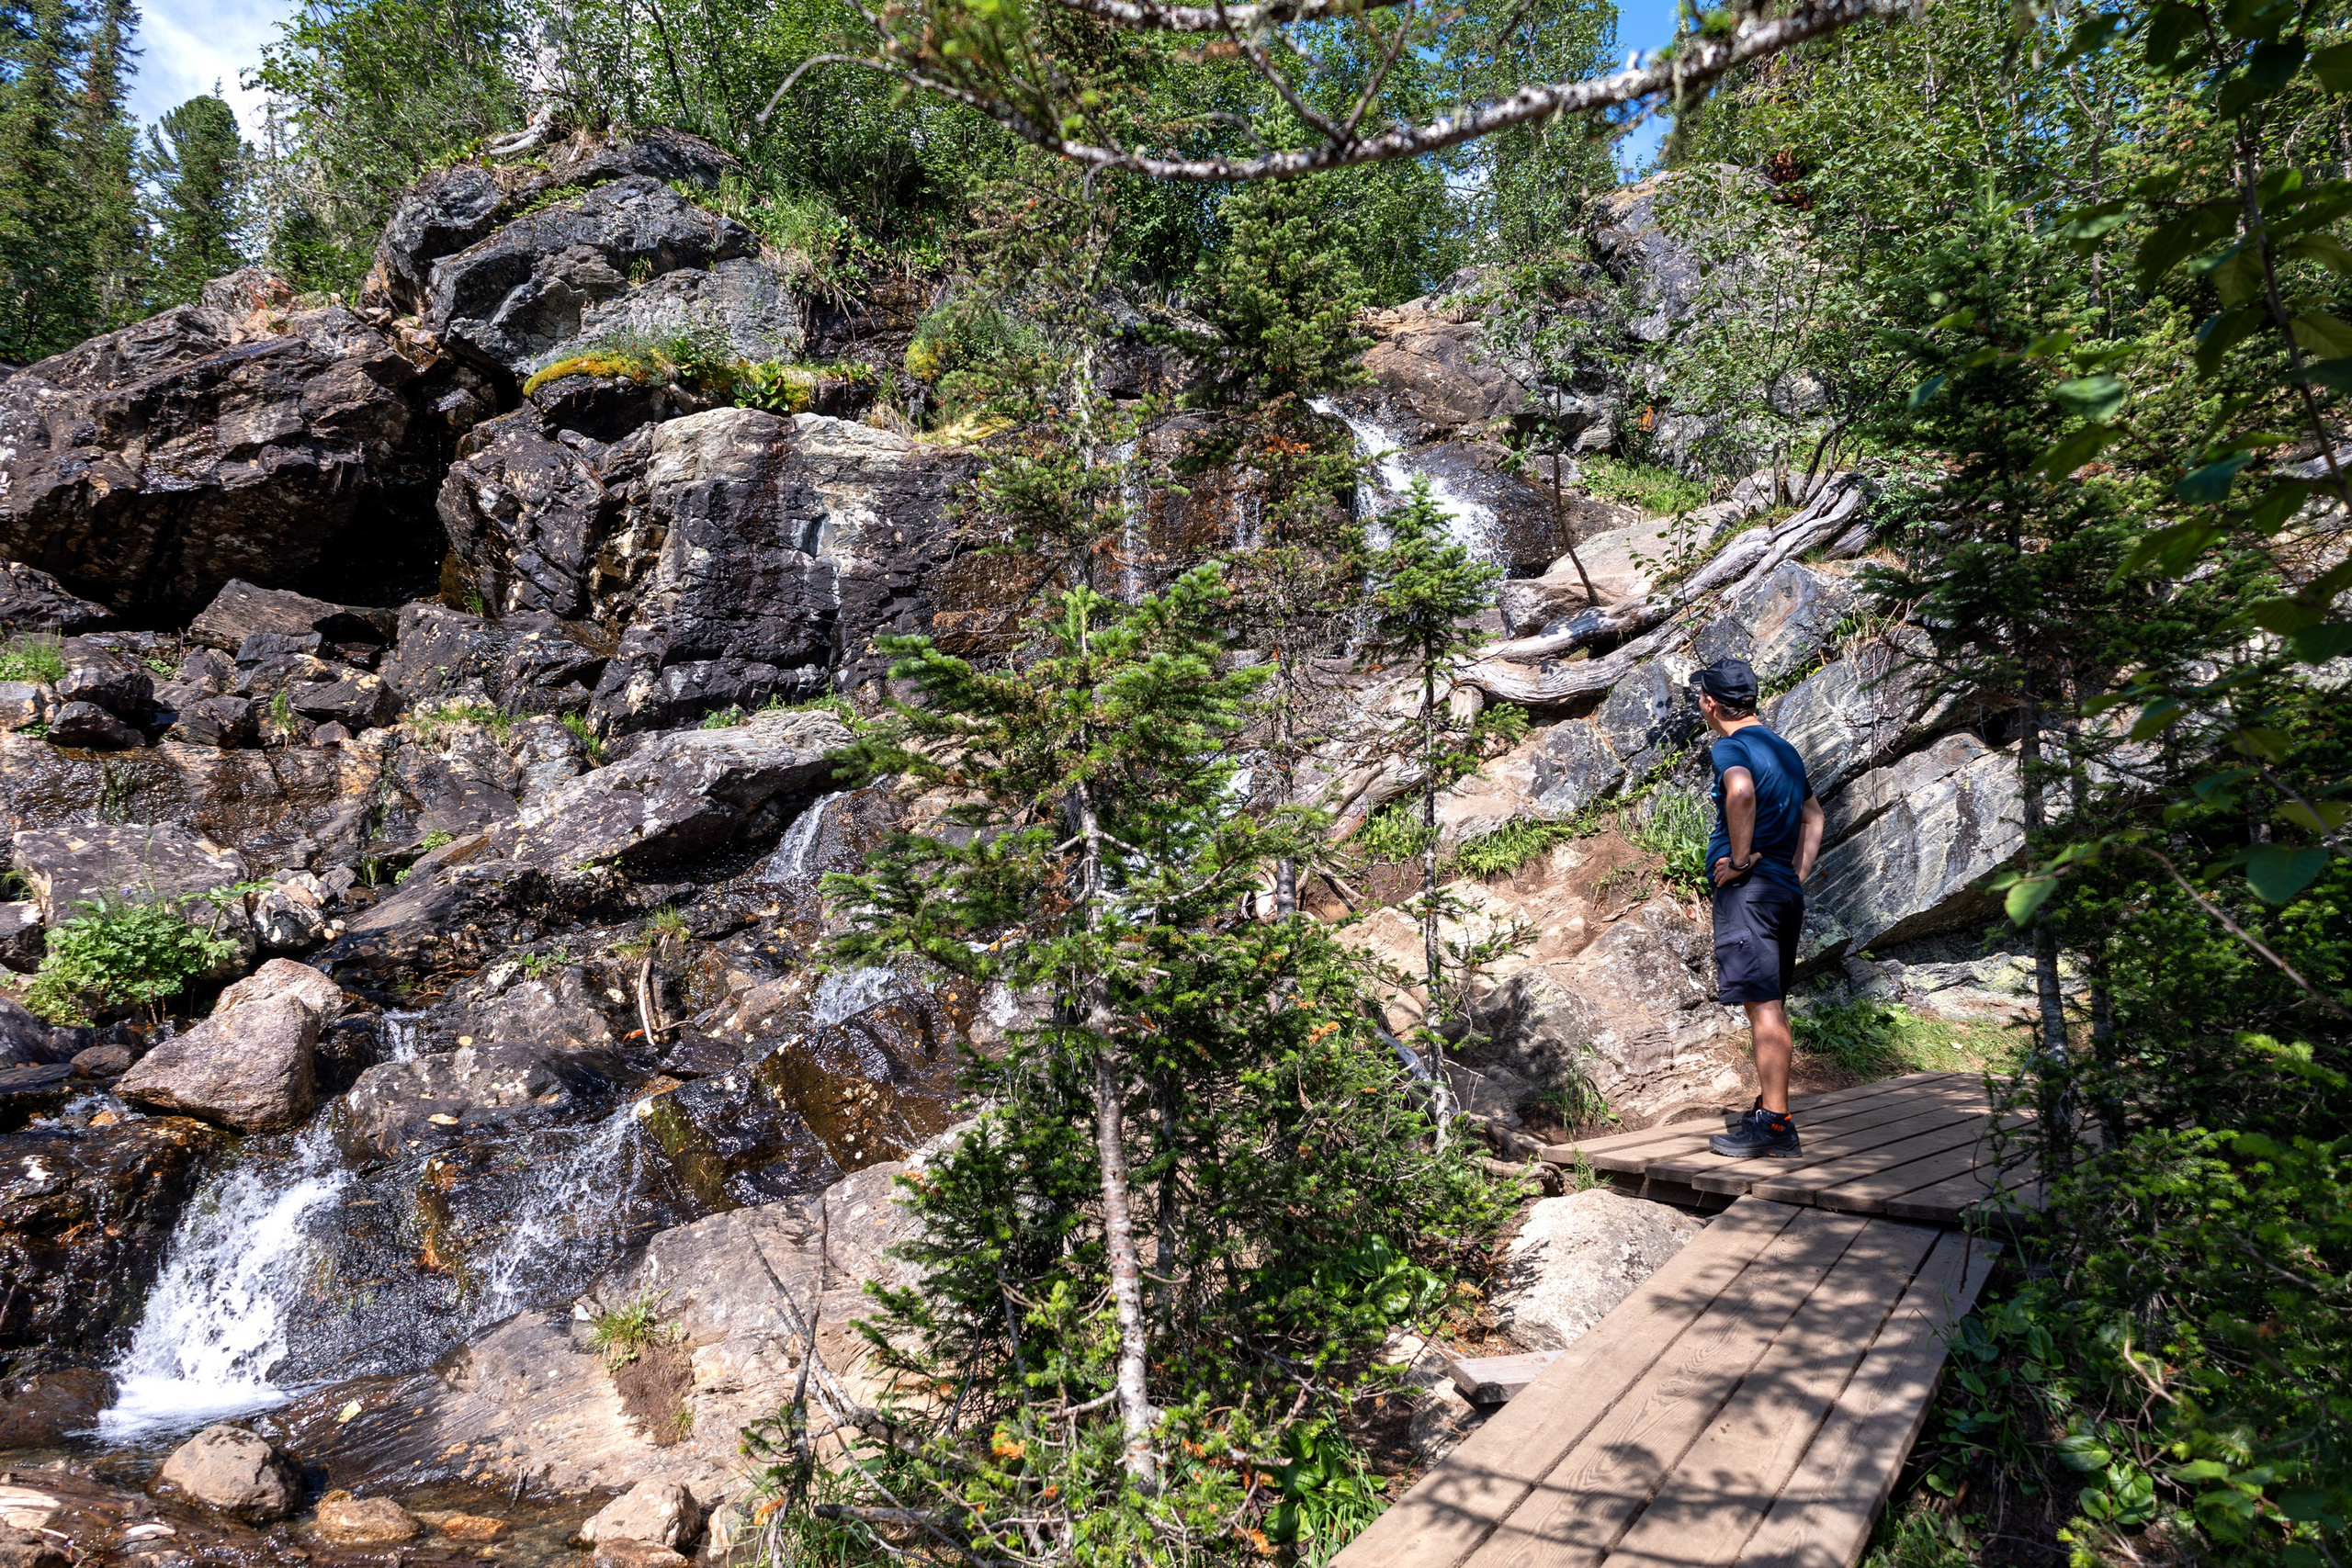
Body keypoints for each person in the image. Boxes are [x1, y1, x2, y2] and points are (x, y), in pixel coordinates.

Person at [1688, 657, 1826, 1158]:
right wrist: (1796, 874)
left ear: (1709, 701)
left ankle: (1774, 1125)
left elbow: (1740, 791)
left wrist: (1742, 861)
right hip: (1783, 892)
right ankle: (1772, 1108)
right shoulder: (1784, 750)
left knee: (1763, 1006)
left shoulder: (1731, 746)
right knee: (1772, 1003)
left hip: (1750, 894)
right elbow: (1814, 818)